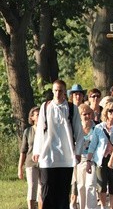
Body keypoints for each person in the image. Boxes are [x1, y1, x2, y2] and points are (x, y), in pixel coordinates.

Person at [33, 79, 84, 209]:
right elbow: (39, 130)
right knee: (47, 191)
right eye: (55, 90)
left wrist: (78, 152)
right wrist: (37, 151)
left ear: (64, 92)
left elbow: (79, 132)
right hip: (48, 155)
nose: (57, 93)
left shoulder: (72, 108)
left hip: (66, 156)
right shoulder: (45, 107)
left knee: (63, 192)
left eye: (60, 90)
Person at [87, 102, 113, 209]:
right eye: (110, 111)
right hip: (101, 160)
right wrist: (88, 161)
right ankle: (103, 206)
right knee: (101, 185)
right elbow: (92, 146)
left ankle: (112, 207)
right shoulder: (99, 128)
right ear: (106, 112)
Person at [18, 107, 42, 209]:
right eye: (37, 115)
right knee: (32, 188)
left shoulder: (46, 129)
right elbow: (23, 151)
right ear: (32, 117)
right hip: (31, 163)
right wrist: (20, 168)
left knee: (42, 189)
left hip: (44, 163)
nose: (40, 116)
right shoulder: (28, 131)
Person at [76, 104, 98, 209]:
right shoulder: (76, 128)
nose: (87, 116)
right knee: (80, 186)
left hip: (92, 160)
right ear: (80, 115)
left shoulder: (96, 127)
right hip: (79, 159)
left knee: (91, 185)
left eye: (89, 113)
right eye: (84, 114)